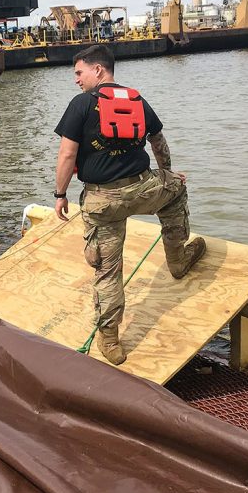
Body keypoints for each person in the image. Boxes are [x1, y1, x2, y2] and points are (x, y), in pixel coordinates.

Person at [53, 44, 206, 366]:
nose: (76, 80)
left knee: (108, 273)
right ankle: (177, 259)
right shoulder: (137, 99)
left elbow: (67, 154)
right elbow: (159, 142)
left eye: (79, 73)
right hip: (142, 189)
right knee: (177, 189)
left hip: (102, 201)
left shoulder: (81, 105)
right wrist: (165, 172)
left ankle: (110, 341)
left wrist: (60, 193)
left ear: (98, 70)